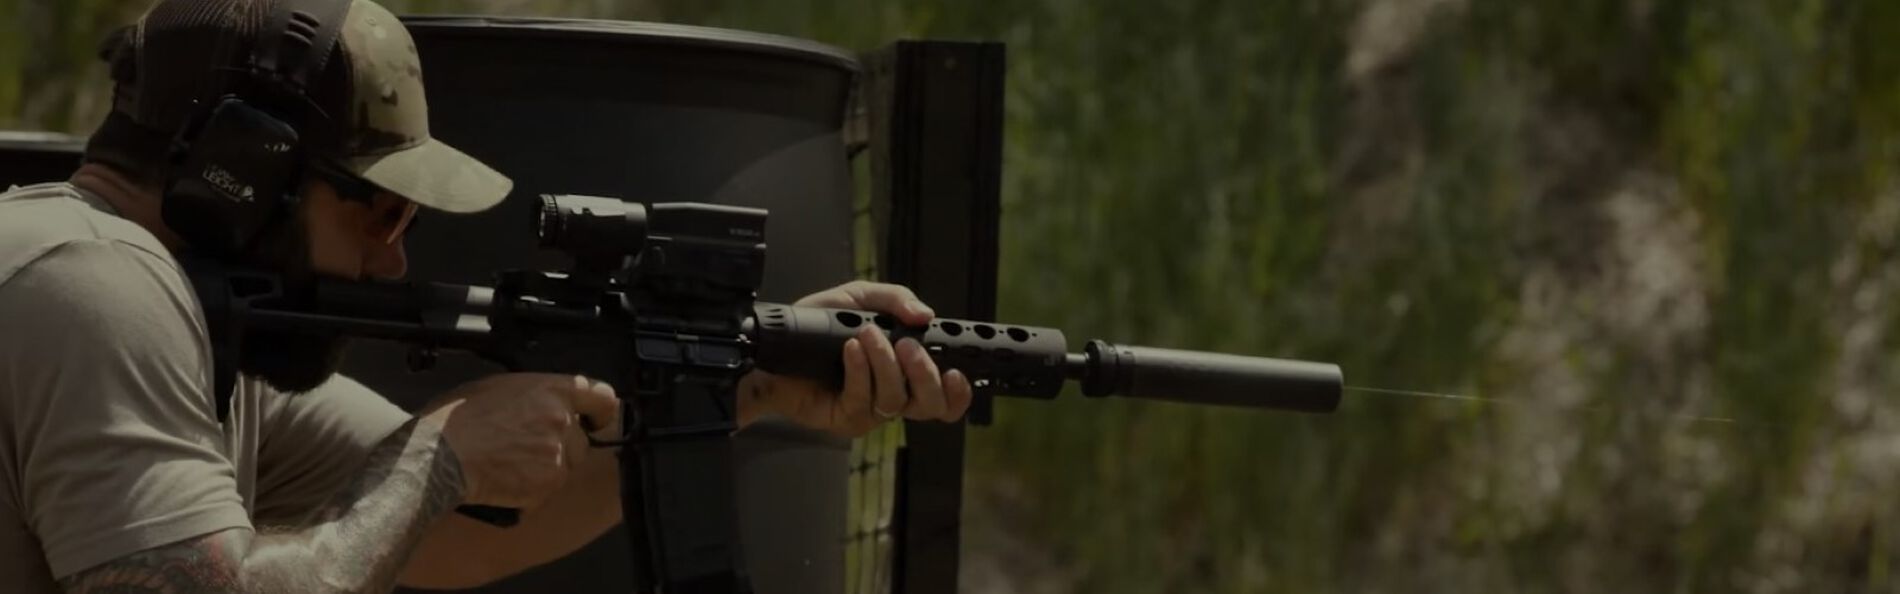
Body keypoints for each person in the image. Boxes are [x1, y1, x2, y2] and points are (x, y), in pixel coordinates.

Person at [0, 0, 973, 592]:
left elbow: (453, 540)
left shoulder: (194, 324)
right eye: (378, 212)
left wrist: (746, 390)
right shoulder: (95, 282)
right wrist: (440, 462)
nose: (391, 261)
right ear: (243, 172)